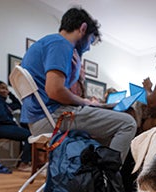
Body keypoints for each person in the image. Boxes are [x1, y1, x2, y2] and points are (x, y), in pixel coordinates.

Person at [20, 7, 136, 163]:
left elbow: (55, 90)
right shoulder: (61, 44)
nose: (88, 47)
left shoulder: (47, 43)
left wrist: (77, 76)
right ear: (83, 28)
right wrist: (86, 102)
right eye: (90, 41)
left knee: (107, 130)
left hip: (39, 119)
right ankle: (107, 180)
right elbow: (55, 91)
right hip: (51, 117)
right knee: (127, 123)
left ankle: (90, 174)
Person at [0, 80, 32, 172]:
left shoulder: (4, 103)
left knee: (26, 133)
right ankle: (24, 163)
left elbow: (18, 105)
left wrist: (11, 94)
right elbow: (0, 117)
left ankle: (24, 162)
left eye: (6, 88)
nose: (5, 90)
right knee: (30, 136)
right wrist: (14, 124)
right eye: (2, 88)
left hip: (3, 126)